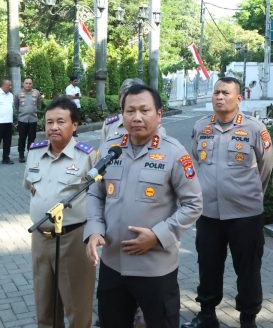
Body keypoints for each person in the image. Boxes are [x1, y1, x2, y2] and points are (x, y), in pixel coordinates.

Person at [85, 84, 203, 328]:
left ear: (159, 114)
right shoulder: (110, 149)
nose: (136, 117)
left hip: (155, 267)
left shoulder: (175, 153)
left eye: (144, 110)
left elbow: (193, 204)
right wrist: (94, 230)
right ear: (122, 114)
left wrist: (158, 236)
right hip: (113, 264)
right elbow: (95, 193)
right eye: (130, 111)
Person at [183, 77, 273, 328]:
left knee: (248, 269)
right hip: (209, 213)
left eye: (225, 93)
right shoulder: (201, 126)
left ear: (239, 98)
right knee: (208, 265)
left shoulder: (255, 129)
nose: (219, 97)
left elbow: (265, 167)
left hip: (245, 215)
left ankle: (248, 318)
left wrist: (249, 195)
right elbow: (196, 159)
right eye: (216, 92)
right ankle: (207, 314)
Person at [25, 97, 97, 328]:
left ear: (74, 125)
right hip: (41, 239)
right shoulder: (35, 153)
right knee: (45, 307)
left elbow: (99, 198)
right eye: (49, 122)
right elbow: (31, 188)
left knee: (77, 309)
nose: (53, 127)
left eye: (60, 121)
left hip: (73, 239)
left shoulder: (87, 156)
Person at [14, 77, 41, 163]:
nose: (28, 85)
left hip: (33, 119)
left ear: (32, 84)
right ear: (23, 84)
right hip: (22, 120)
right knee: (22, 138)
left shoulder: (36, 93)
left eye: (30, 83)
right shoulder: (18, 94)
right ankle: (21, 154)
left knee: (32, 138)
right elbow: (16, 105)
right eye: (26, 83)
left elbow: (38, 104)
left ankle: (30, 153)